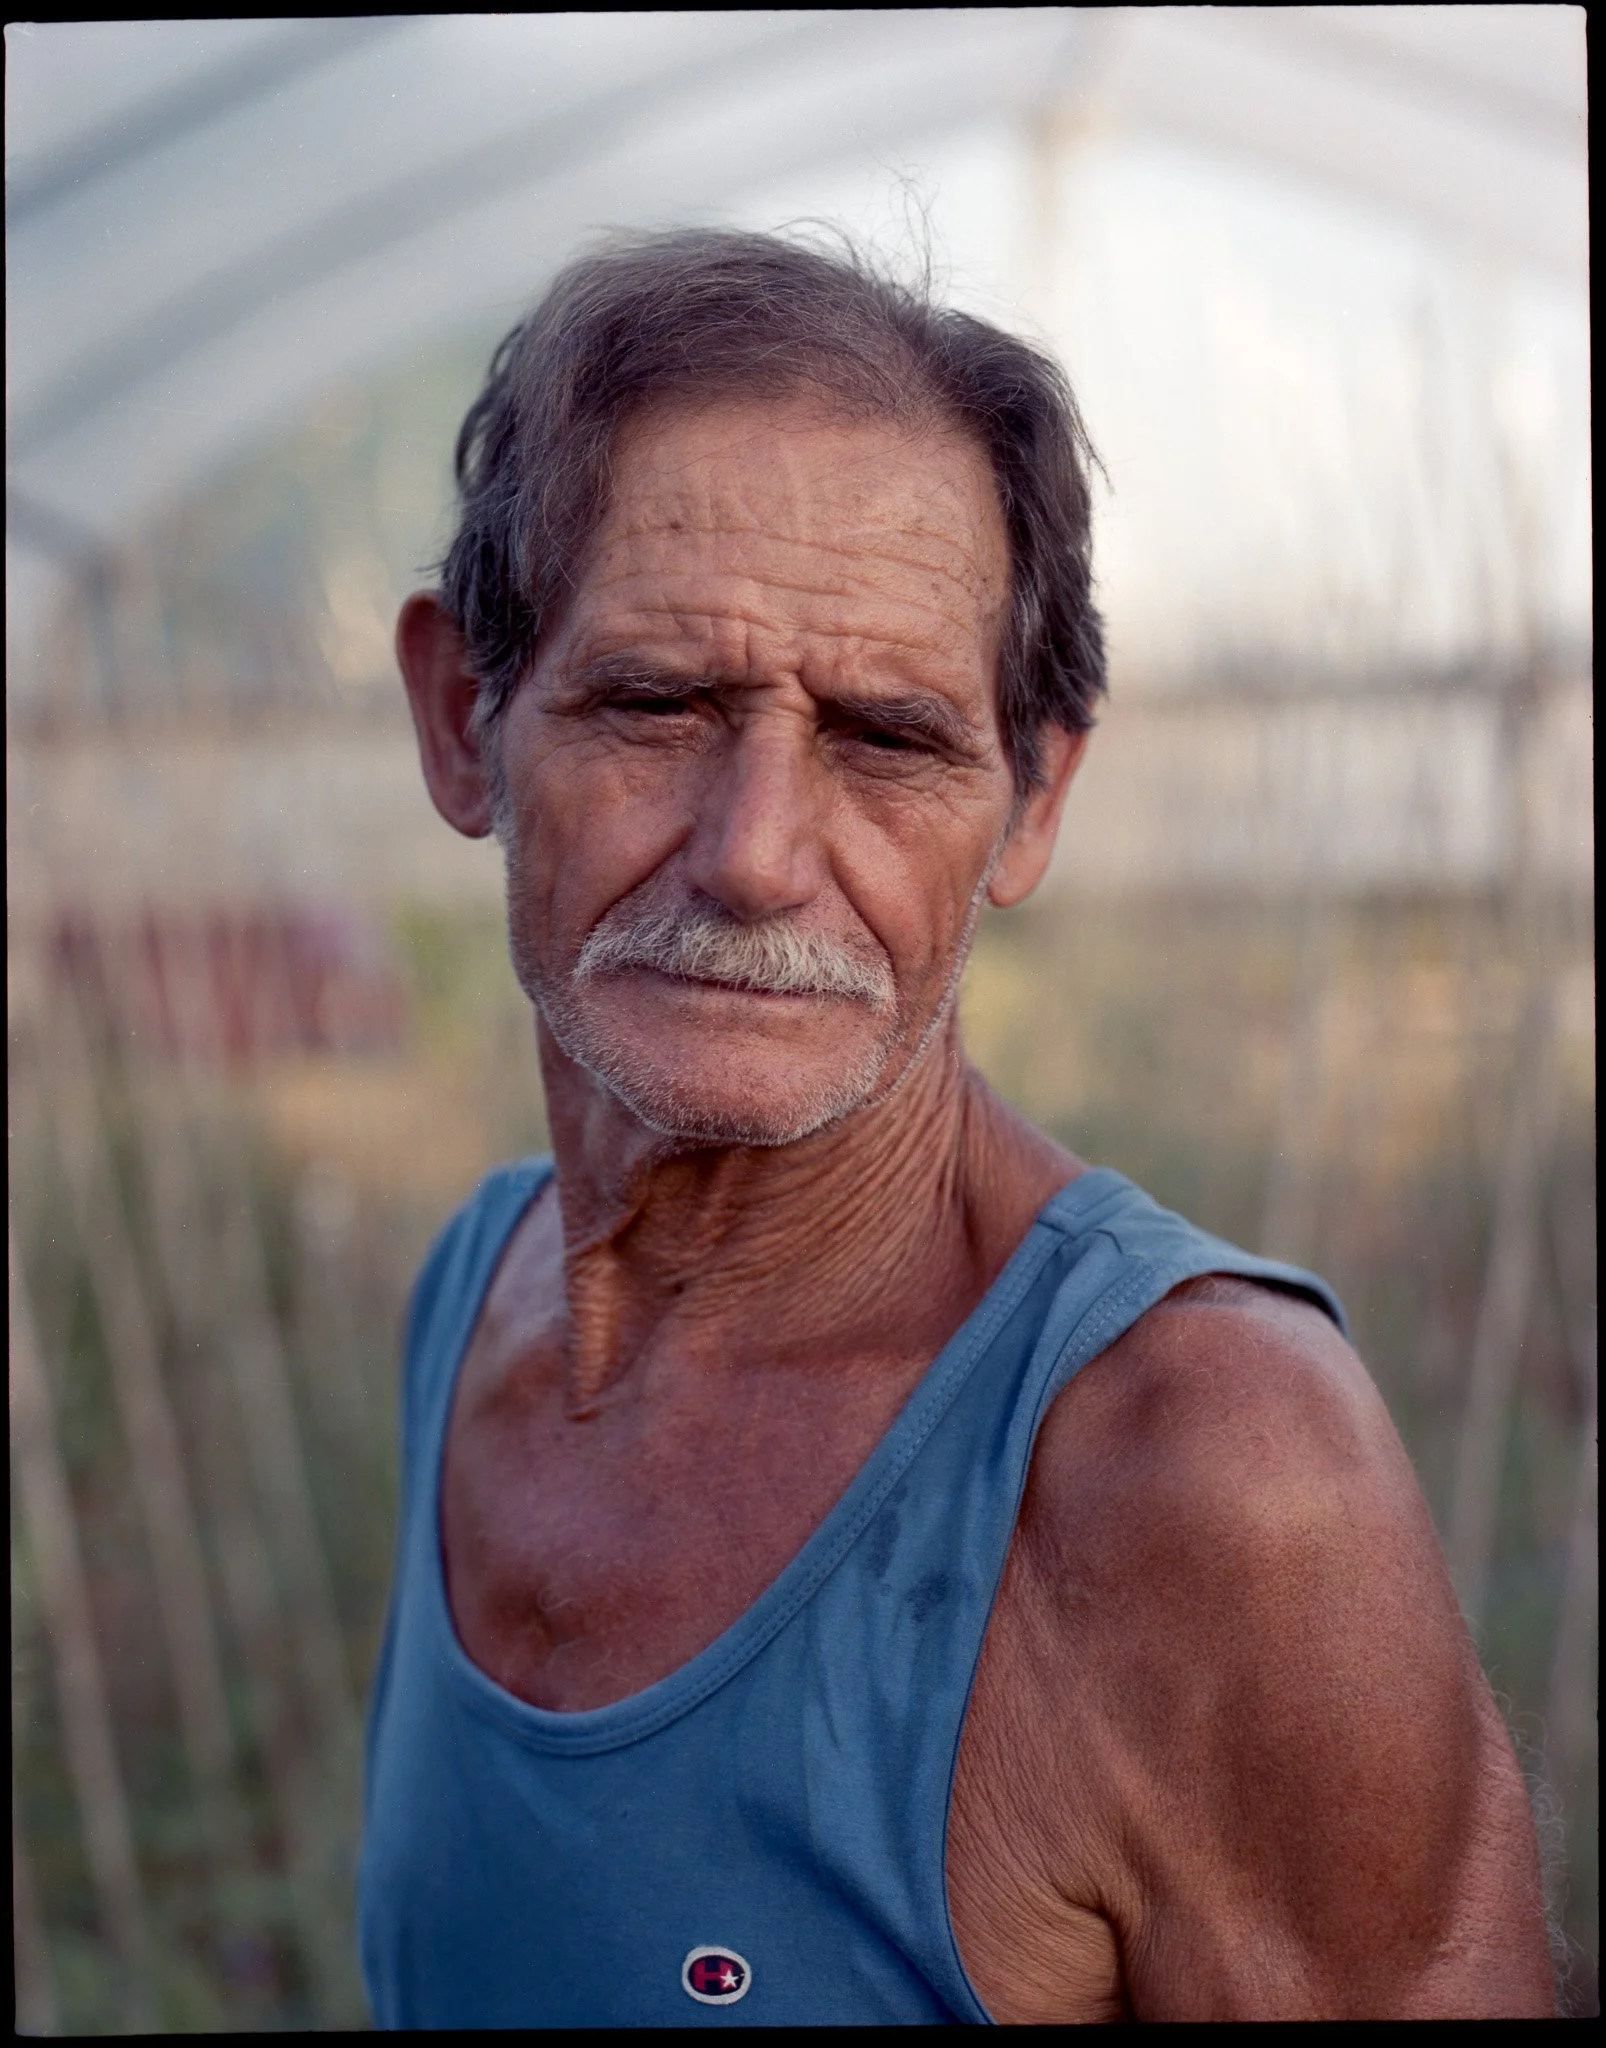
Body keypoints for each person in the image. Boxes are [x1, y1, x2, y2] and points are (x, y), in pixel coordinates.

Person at [358, 227, 1554, 2025]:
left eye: (888, 740)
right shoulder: (475, 1298)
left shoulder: (1205, 1472)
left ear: (1029, 799)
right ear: (466, 718)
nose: (756, 853)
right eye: (660, 702)